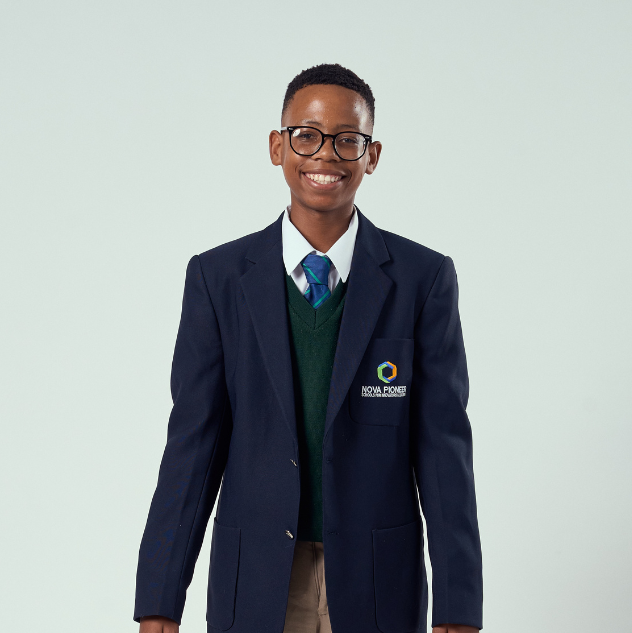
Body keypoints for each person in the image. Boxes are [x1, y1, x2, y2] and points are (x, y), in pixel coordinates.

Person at [134, 64, 483, 633]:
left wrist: (459, 604)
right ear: (278, 147)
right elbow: (192, 447)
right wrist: (159, 598)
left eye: (348, 139)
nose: (326, 154)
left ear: (372, 155)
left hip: (377, 580)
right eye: (307, 136)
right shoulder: (218, 279)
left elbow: (444, 453)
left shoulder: (422, 280)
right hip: (258, 579)